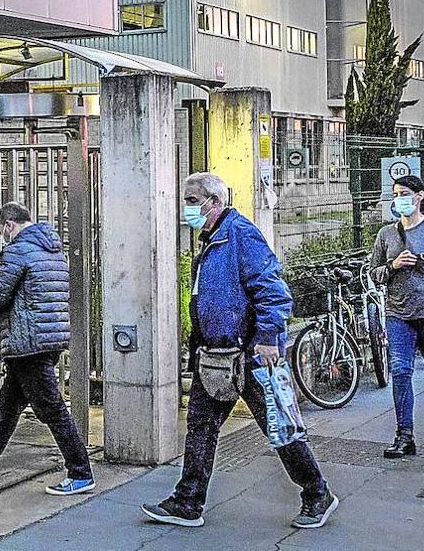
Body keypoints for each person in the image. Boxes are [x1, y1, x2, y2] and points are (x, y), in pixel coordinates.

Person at [143, 172, 337, 530]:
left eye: (192, 200)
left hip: (250, 354)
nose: (186, 208)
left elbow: (274, 291)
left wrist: (266, 337)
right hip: (217, 355)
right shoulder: (211, 239)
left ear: (214, 202)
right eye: (184, 199)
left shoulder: (240, 235)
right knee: (201, 426)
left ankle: (316, 492)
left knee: (278, 426)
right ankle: (188, 502)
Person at [0, 202, 95, 496]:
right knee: (9, 404)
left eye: (1, 231)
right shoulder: (52, 247)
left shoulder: (17, 251)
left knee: (53, 409)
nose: (2, 237)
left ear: (9, 224)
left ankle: (81, 472)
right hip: (49, 337)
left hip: (26, 342)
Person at [369, 174, 424, 457]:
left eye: (404, 193)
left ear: (420, 196)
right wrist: (392, 266)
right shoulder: (387, 234)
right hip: (398, 314)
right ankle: (405, 436)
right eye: (395, 194)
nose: (399, 199)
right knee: (401, 372)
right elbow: (374, 273)